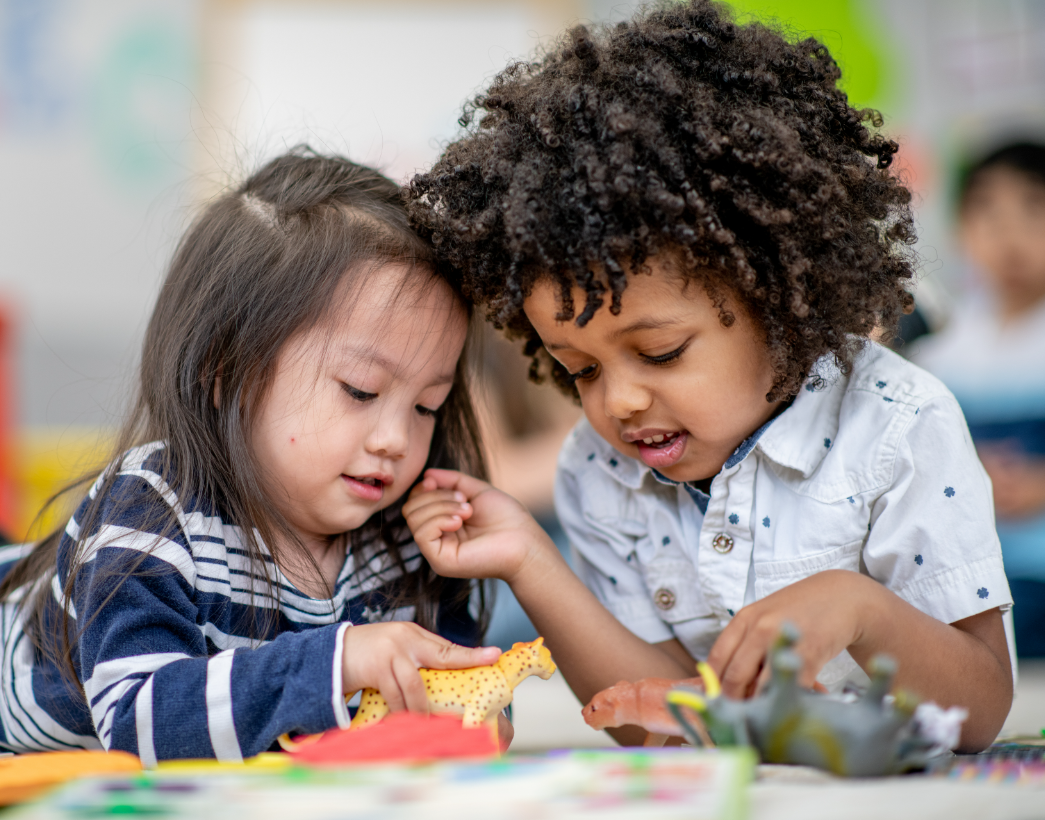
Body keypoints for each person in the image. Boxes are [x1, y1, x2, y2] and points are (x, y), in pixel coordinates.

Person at [399, 0, 1014, 752]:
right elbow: (643, 720)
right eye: (580, 370)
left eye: (660, 353)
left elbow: (979, 711)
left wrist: (860, 608)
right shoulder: (600, 469)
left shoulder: (898, 424)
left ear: (780, 302)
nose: (618, 401)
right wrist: (532, 560)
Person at [0, 151, 505, 762]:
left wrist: (474, 709)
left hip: (61, 595)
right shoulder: (155, 501)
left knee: (46, 581)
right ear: (227, 369)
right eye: (361, 390)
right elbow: (139, 714)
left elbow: (452, 682)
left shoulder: (403, 537)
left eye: (426, 406)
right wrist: (339, 661)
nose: (396, 438)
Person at [913, 142, 1045, 658]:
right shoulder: (943, 342)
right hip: (975, 568)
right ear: (962, 230)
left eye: (1034, 208)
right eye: (987, 211)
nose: (1009, 235)